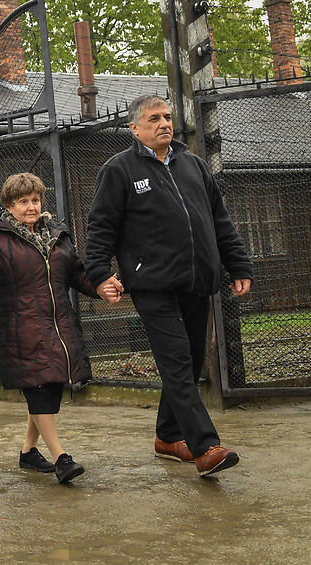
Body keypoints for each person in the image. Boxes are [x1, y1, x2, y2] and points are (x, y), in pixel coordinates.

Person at [85, 94, 254, 477]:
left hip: (197, 280)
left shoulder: (193, 165)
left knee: (190, 362)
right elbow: (101, 227)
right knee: (177, 361)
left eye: (167, 116)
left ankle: (166, 435)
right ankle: (206, 446)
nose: (164, 123)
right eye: (154, 118)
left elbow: (220, 221)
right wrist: (99, 274)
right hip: (153, 284)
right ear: (134, 128)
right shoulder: (119, 169)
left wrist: (238, 264)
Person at [0, 173, 116, 484]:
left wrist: (102, 287)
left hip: (58, 327)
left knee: (48, 389)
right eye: (24, 201)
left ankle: (28, 452)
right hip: (20, 329)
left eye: (36, 200)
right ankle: (61, 457)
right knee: (40, 390)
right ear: (9, 206)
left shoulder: (57, 234)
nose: (32, 207)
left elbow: (78, 274)